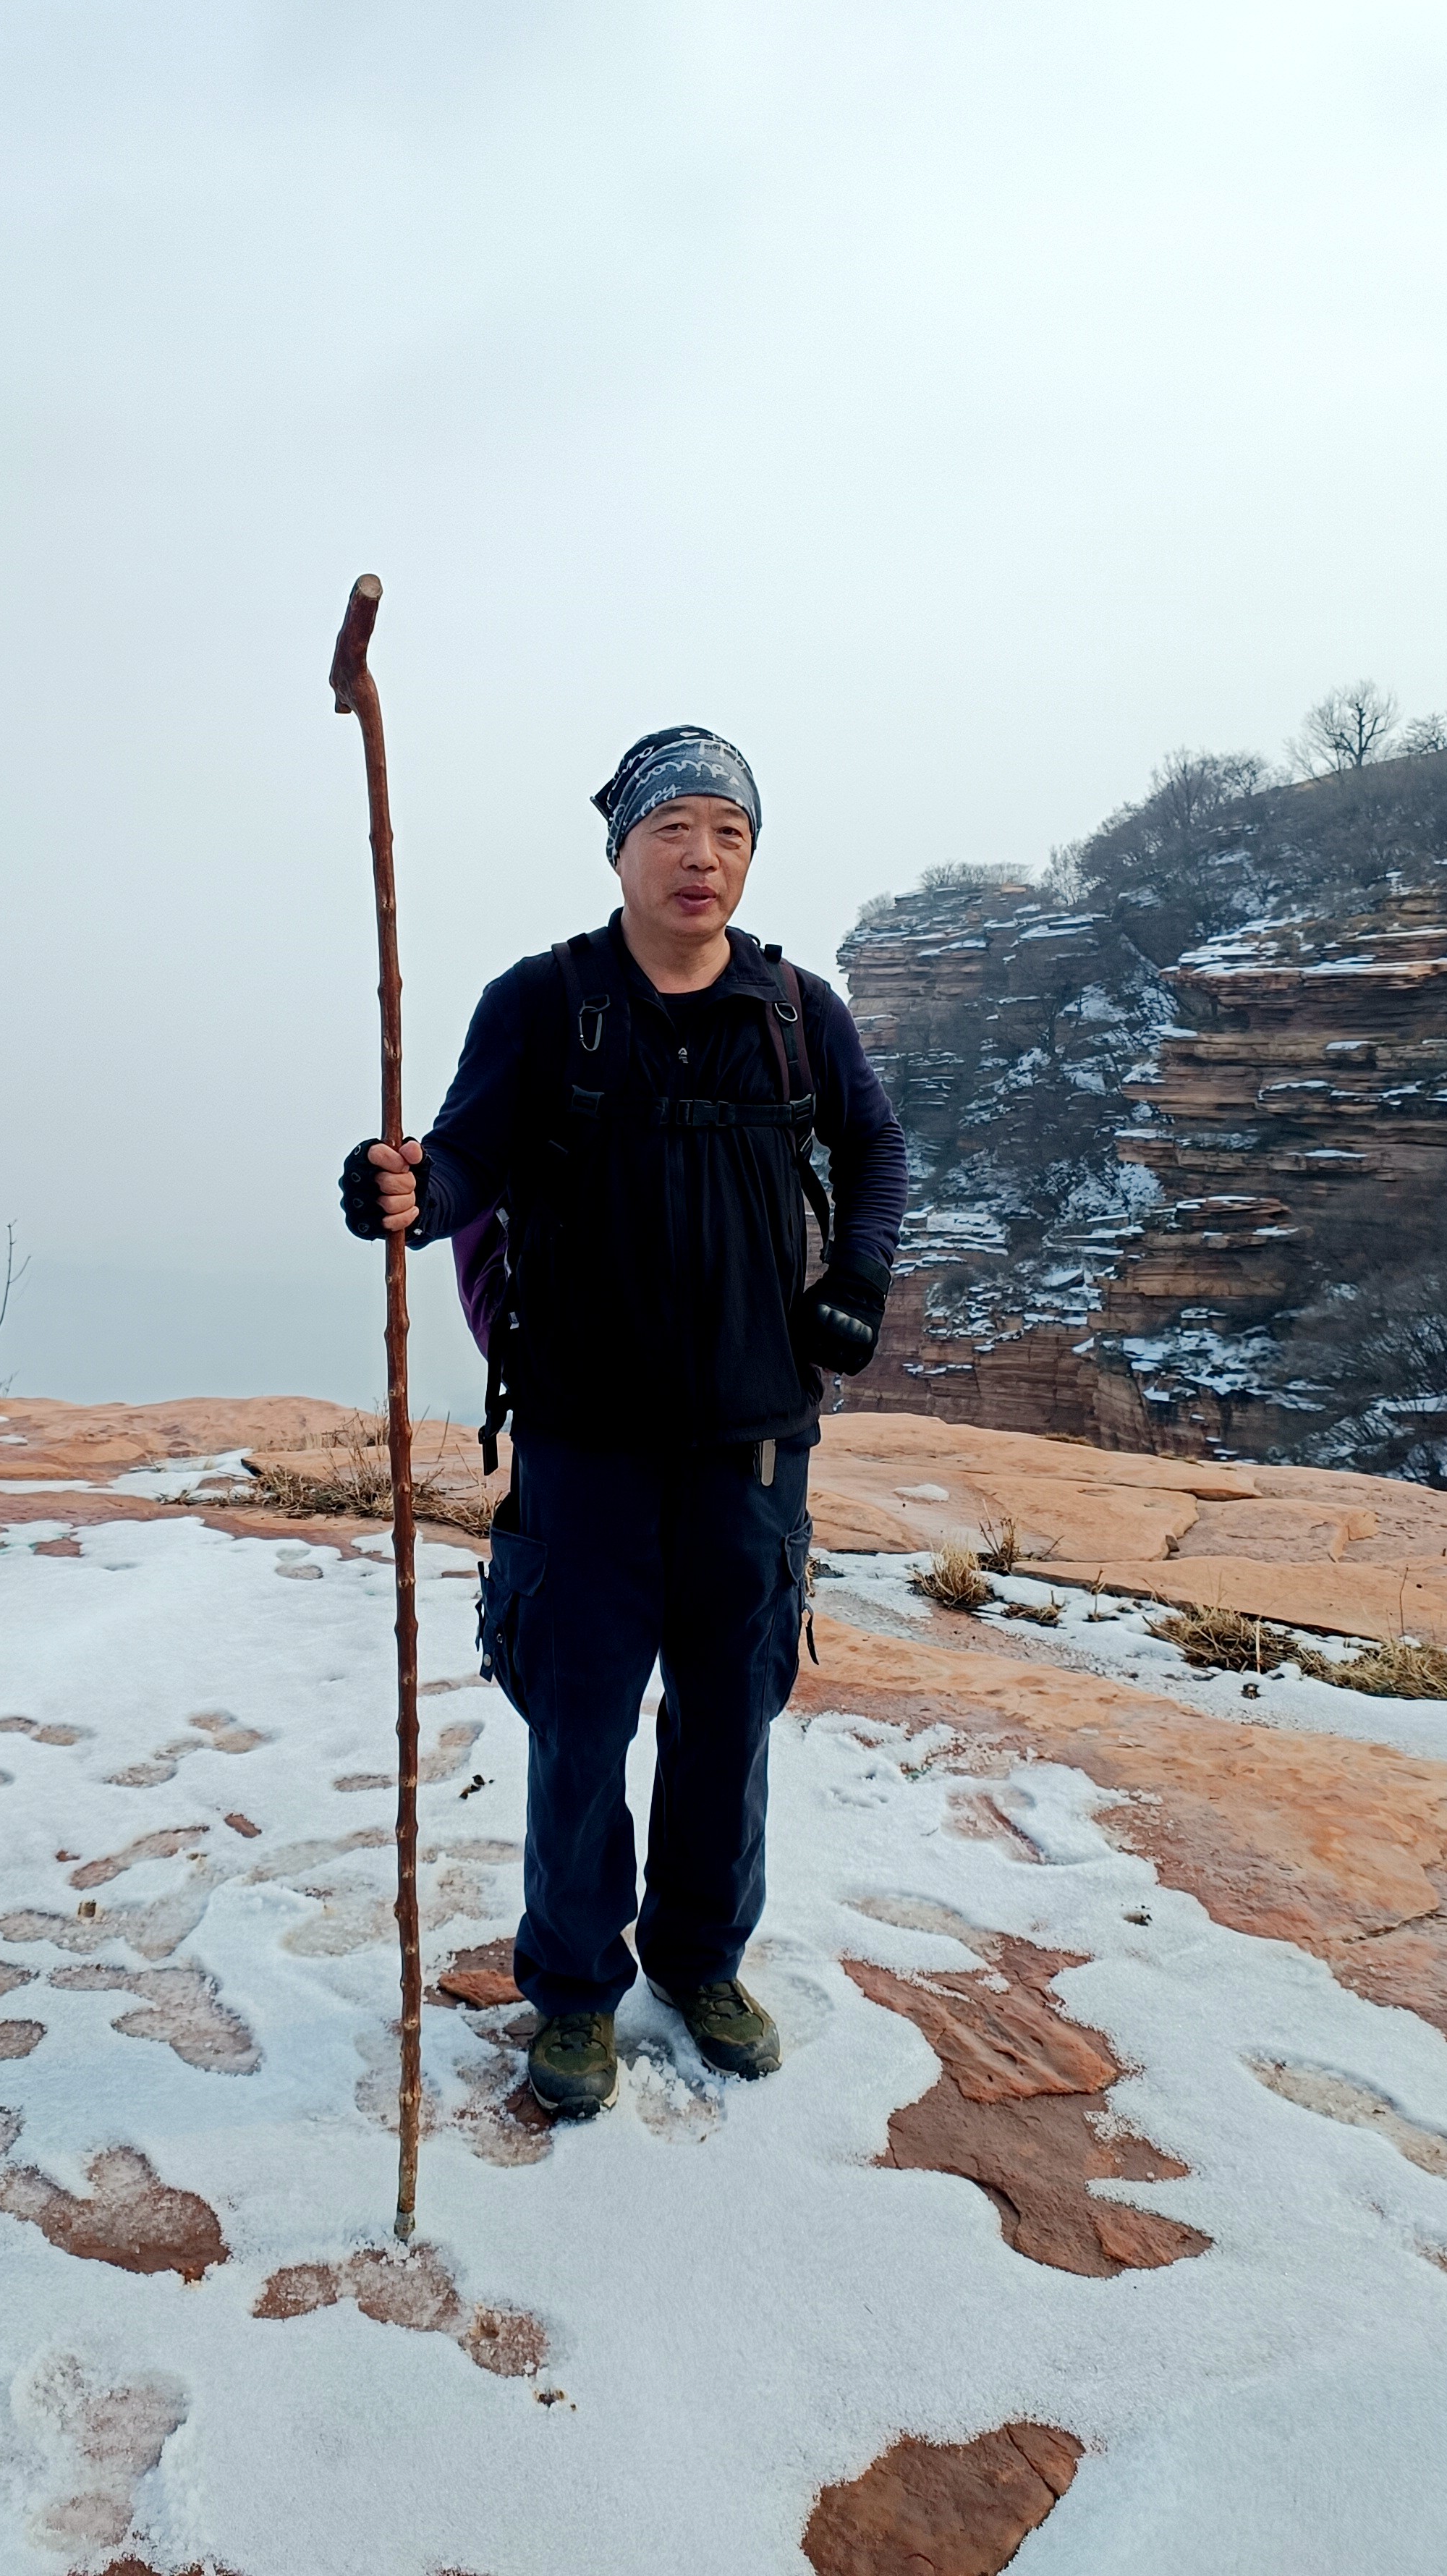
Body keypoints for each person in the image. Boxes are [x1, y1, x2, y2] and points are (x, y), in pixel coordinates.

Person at [339, 725, 907, 2119]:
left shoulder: (796, 1009)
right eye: (674, 831)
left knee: (728, 1720)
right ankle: (577, 1993)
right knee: (580, 1728)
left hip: (754, 1440)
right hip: (586, 1439)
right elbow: (465, 1160)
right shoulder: (542, 1002)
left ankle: (701, 1963)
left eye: (728, 832)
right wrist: (404, 1191)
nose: (702, 858)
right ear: (622, 852)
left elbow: (879, 1148)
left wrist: (858, 1285)